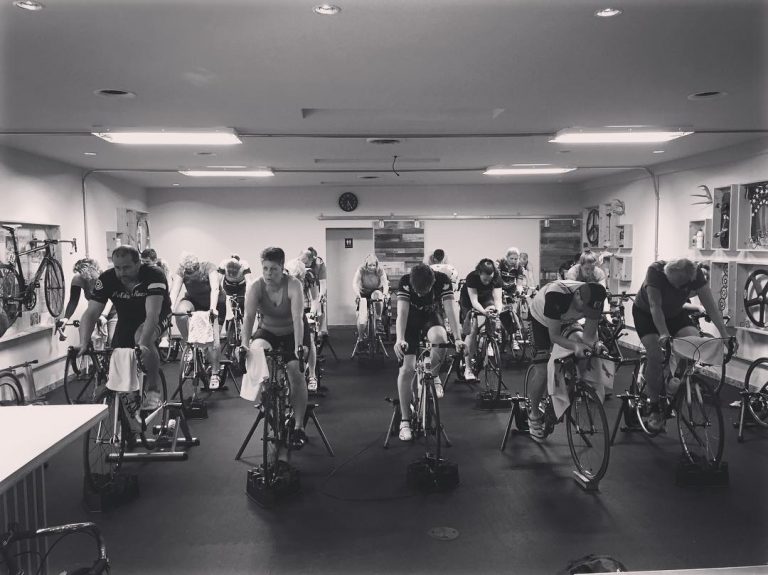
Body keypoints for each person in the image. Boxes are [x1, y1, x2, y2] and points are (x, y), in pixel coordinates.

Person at [632, 258, 733, 432]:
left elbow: (711, 306)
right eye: (674, 285)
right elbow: (655, 306)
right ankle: (654, 406)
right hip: (646, 314)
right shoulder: (655, 272)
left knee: (693, 343)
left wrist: (725, 336)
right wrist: (664, 334)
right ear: (667, 275)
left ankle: (673, 381)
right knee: (655, 354)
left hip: (675, 314)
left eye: (681, 286)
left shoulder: (696, 274)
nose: (677, 289)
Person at [77, 246, 171, 409]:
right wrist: (84, 342)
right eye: (117, 268)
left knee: (142, 338)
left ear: (138, 264)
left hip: (157, 315)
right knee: (117, 351)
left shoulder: (154, 275)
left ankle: (153, 389)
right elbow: (91, 313)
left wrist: (143, 345)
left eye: (126, 267)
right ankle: (127, 396)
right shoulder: (107, 278)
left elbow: (152, 315)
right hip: (127, 317)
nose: (121, 273)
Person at [239, 247, 311, 448]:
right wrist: (244, 345)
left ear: (282, 268)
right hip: (268, 331)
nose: (269, 274)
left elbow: (298, 318)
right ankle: (268, 392)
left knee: (295, 372)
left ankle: (299, 426)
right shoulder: (256, 287)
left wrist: (299, 347)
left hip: (292, 331)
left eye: (274, 269)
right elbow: (249, 318)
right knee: (256, 351)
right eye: (265, 269)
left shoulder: (293, 285)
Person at [526, 280, 608, 441]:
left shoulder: (596, 298)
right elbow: (554, 336)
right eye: (584, 308)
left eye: (589, 310)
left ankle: (566, 384)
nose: (586, 312)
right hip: (540, 321)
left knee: (584, 349)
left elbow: (589, 336)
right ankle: (534, 414)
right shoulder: (557, 295)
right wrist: (575, 346)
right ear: (577, 295)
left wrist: (597, 345)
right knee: (542, 370)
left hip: (566, 321)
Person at [394, 264, 464, 441]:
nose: (419, 295)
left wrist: (457, 338)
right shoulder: (405, 281)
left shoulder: (442, 280)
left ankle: (433, 375)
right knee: (407, 370)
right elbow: (402, 313)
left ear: (432, 283)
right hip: (410, 321)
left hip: (431, 316)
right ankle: (404, 421)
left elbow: (450, 310)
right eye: (417, 292)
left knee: (441, 338)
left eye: (423, 292)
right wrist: (399, 339)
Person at [169, 253, 222, 389]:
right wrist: (169, 309)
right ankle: (190, 344)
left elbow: (215, 289)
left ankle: (215, 373)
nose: (190, 273)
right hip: (194, 301)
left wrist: (212, 309)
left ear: (198, 267)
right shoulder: (182, 270)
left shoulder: (208, 267)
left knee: (213, 340)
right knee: (180, 312)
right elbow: (174, 291)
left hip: (215, 302)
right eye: (188, 271)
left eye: (193, 270)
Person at [459, 258, 504, 381]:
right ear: (479, 273)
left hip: (485, 298)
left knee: (493, 313)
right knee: (472, 331)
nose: (487, 282)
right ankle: (468, 369)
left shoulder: (497, 278)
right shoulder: (472, 277)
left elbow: (498, 299)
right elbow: (474, 301)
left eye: (490, 279)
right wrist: (484, 312)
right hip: (468, 301)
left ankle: (488, 341)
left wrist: (496, 312)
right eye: (485, 279)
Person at [58, 258, 116, 348]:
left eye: (90, 275)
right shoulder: (78, 278)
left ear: (96, 269)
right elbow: (73, 300)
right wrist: (66, 318)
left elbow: (110, 299)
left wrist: (103, 315)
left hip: (113, 311)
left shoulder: (105, 275)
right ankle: (94, 358)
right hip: (95, 310)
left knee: (113, 340)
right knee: (86, 335)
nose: (88, 278)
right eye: (83, 275)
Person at [286, 258, 320, 392]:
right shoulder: (285, 279)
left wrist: (311, 313)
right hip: (290, 310)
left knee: (310, 339)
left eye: (298, 277)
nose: (296, 279)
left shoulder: (309, 276)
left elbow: (315, 298)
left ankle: (312, 375)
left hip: (306, 309)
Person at [352, 254, 389, 345]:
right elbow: (355, 283)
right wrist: (358, 296)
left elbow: (385, 284)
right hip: (363, 292)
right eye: (370, 265)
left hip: (376, 290)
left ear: (376, 265)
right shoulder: (361, 269)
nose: (372, 267)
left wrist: (384, 294)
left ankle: (378, 320)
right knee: (362, 317)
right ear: (366, 264)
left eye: (374, 265)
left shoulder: (380, 270)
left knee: (377, 296)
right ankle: (361, 337)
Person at [300, 247, 328, 336]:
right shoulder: (299, 263)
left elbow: (323, 282)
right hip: (305, 287)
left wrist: (321, 294)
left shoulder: (319, 264)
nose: (305, 264)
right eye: (303, 262)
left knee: (320, 306)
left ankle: (321, 331)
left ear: (312, 259)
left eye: (307, 263)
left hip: (318, 286)